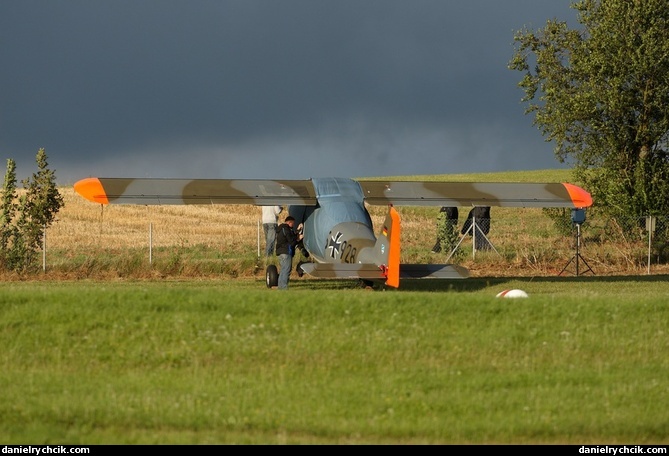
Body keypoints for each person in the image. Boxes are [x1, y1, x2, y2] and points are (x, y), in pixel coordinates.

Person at [275, 215, 303, 289]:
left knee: (283, 270)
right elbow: (292, 242)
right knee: (287, 270)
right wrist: (298, 239)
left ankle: (280, 287)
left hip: (280, 252)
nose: (293, 225)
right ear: (289, 222)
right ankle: (284, 288)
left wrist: (297, 231)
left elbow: (291, 237)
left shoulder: (282, 229)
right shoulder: (286, 229)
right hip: (286, 252)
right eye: (293, 223)